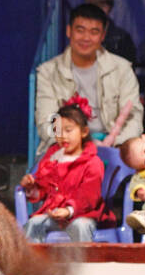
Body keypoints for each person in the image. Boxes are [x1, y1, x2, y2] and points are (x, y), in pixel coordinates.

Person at [34, 3, 142, 157]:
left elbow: (134, 117)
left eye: (94, 32)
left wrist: (117, 144)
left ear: (103, 36)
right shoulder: (48, 72)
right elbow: (46, 120)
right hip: (65, 147)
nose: (86, 38)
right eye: (80, 30)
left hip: (112, 146)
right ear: (69, 31)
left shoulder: (122, 69)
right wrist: (72, 145)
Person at [19, 96, 114, 241]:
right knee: (33, 224)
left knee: (80, 226)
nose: (63, 136)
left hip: (83, 214)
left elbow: (89, 197)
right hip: (55, 216)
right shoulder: (53, 156)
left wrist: (69, 210)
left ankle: (82, 263)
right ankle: (33, 262)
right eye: (58, 131)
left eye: (68, 130)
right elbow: (44, 189)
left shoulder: (92, 162)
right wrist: (32, 186)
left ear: (84, 132)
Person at [84, 0, 137, 64]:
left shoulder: (122, 38)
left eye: (104, 6)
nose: (100, 10)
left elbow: (129, 68)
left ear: (109, 8)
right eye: (96, 6)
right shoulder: (81, 37)